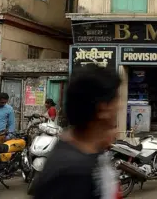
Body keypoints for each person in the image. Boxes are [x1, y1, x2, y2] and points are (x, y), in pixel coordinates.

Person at [30, 65, 122, 199]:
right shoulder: (71, 173)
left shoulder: (86, 150)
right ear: (103, 109)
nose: (120, 106)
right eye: (117, 100)